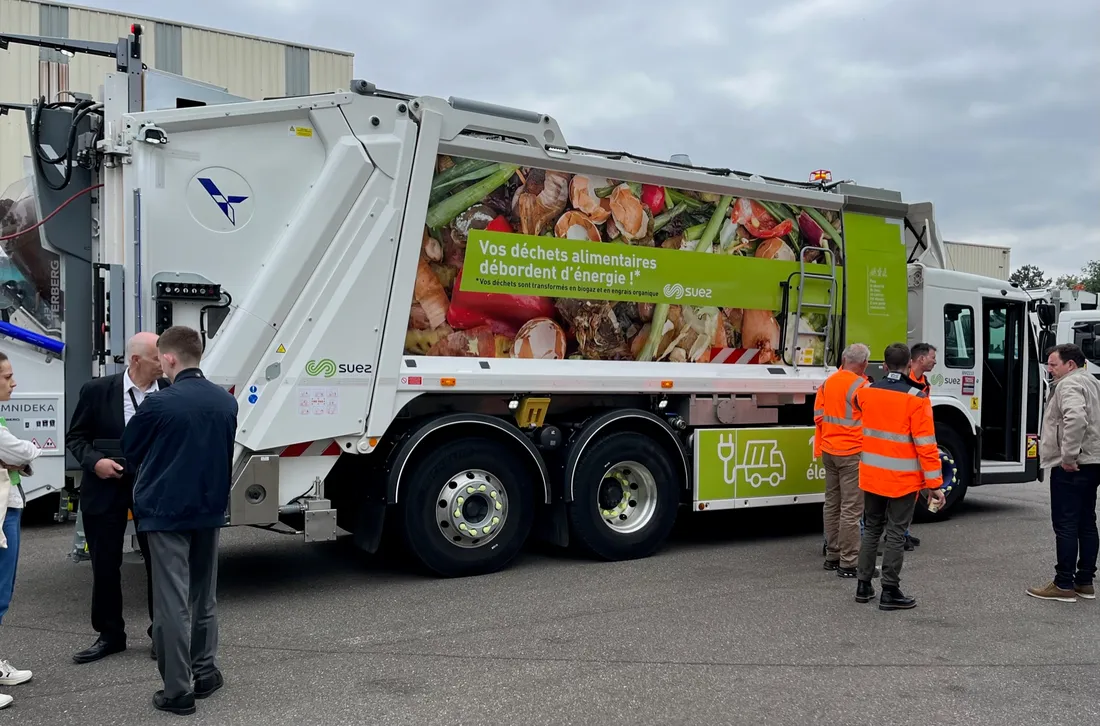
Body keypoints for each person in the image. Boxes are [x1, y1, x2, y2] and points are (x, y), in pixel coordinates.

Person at [122, 326, 237, 715]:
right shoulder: (225, 402)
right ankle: (205, 673)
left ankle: (177, 691)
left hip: (164, 510)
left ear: (169, 358)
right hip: (208, 509)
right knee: (204, 595)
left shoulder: (159, 404)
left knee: (173, 601)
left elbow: (130, 447)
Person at [66, 332, 168, 663]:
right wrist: (96, 462)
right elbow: (77, 437)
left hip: (153, 488)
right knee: (106, 564)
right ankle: (110, 634)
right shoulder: (97, 391)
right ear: (136, 360)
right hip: (106, 487)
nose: (163, 363)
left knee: (161, 563)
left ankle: (162, 633)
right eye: (157, 357)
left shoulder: (170, 392)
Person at [852, 343, 946, 610]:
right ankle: (890, 591)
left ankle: (863, 585)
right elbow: (927, 446)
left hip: (871, 475)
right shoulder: (917, 398)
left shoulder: (866, 391)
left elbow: (857, 406)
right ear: (909, 366)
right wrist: (935, 486)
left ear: (884, 365)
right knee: (895, 532)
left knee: (871, 529)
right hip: (902, 479)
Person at [1027, 344, 1100, 603]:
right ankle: (1085, 581)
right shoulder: (1092, 381)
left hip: (1073, 464)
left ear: (1070, 364)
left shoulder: (1069, 384)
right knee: (1086, 521)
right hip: (1093, 461)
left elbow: (1076, 418)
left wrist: (1068, 456)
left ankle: (1063, 583)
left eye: (1053, 364)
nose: (1049, 368)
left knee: (1066, 523)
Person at [0, 351, 43, 710]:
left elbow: (18, 458)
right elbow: (26, 451)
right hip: (2, 514)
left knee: (3, 593)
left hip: (8, 508)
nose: (14, 383)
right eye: (7, 377)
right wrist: (22, 454)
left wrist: (18, 457)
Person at [815, 343, 871, 578]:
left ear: (844, 359)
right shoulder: (862, 386)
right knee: (851, 509)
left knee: (832, 504)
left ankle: (833, 555)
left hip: (829, 450)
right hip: (852, 452)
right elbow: (873, 421)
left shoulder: (828, 383)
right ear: (864, 364)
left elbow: (818, 417)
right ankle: (849, 563)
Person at [904, 343, 939, 551]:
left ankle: (904, 532)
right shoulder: (907, 380)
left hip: (914, 445)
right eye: (932, 357)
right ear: (921, 359)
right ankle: (898, 534)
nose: (935, 361)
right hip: (904, 446)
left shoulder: (923, 383)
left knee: (914, 492)